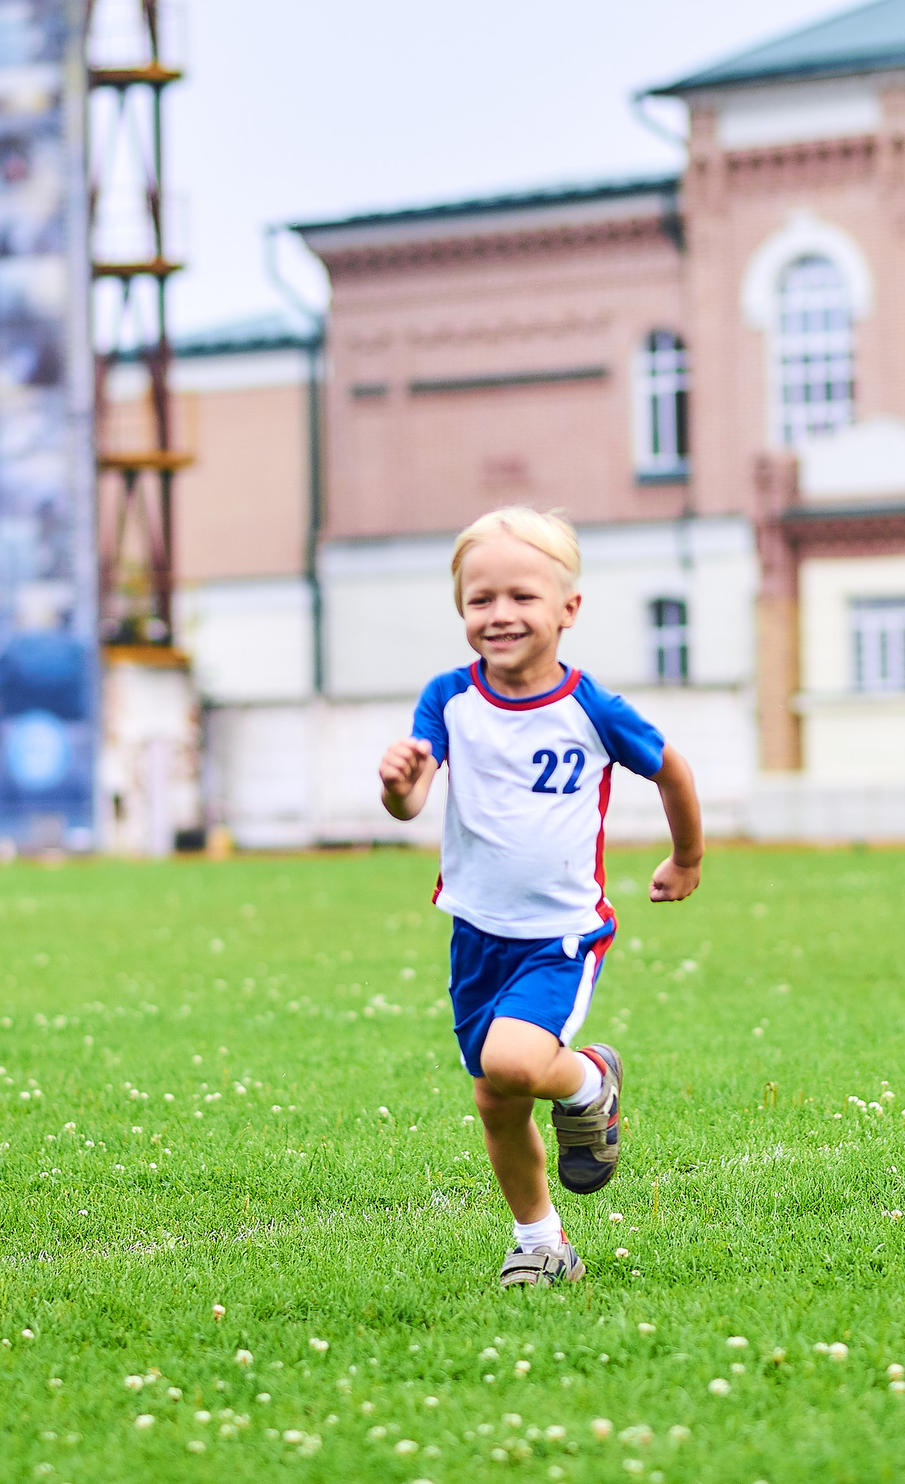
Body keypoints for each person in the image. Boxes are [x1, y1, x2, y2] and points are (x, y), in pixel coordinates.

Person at [378, 506, 705, 1287]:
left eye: (521, 596)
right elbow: (415, 798)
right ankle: (541, 1240)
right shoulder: (449, 698)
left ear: (568, 609)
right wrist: (397, 784)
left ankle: (591, 1079)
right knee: (496, 1098)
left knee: (516, 1059)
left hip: (561, 932)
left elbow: (672, 769)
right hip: (476, 933)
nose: (500, 614)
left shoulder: (590, 707)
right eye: (480, 599)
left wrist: (686, 856)